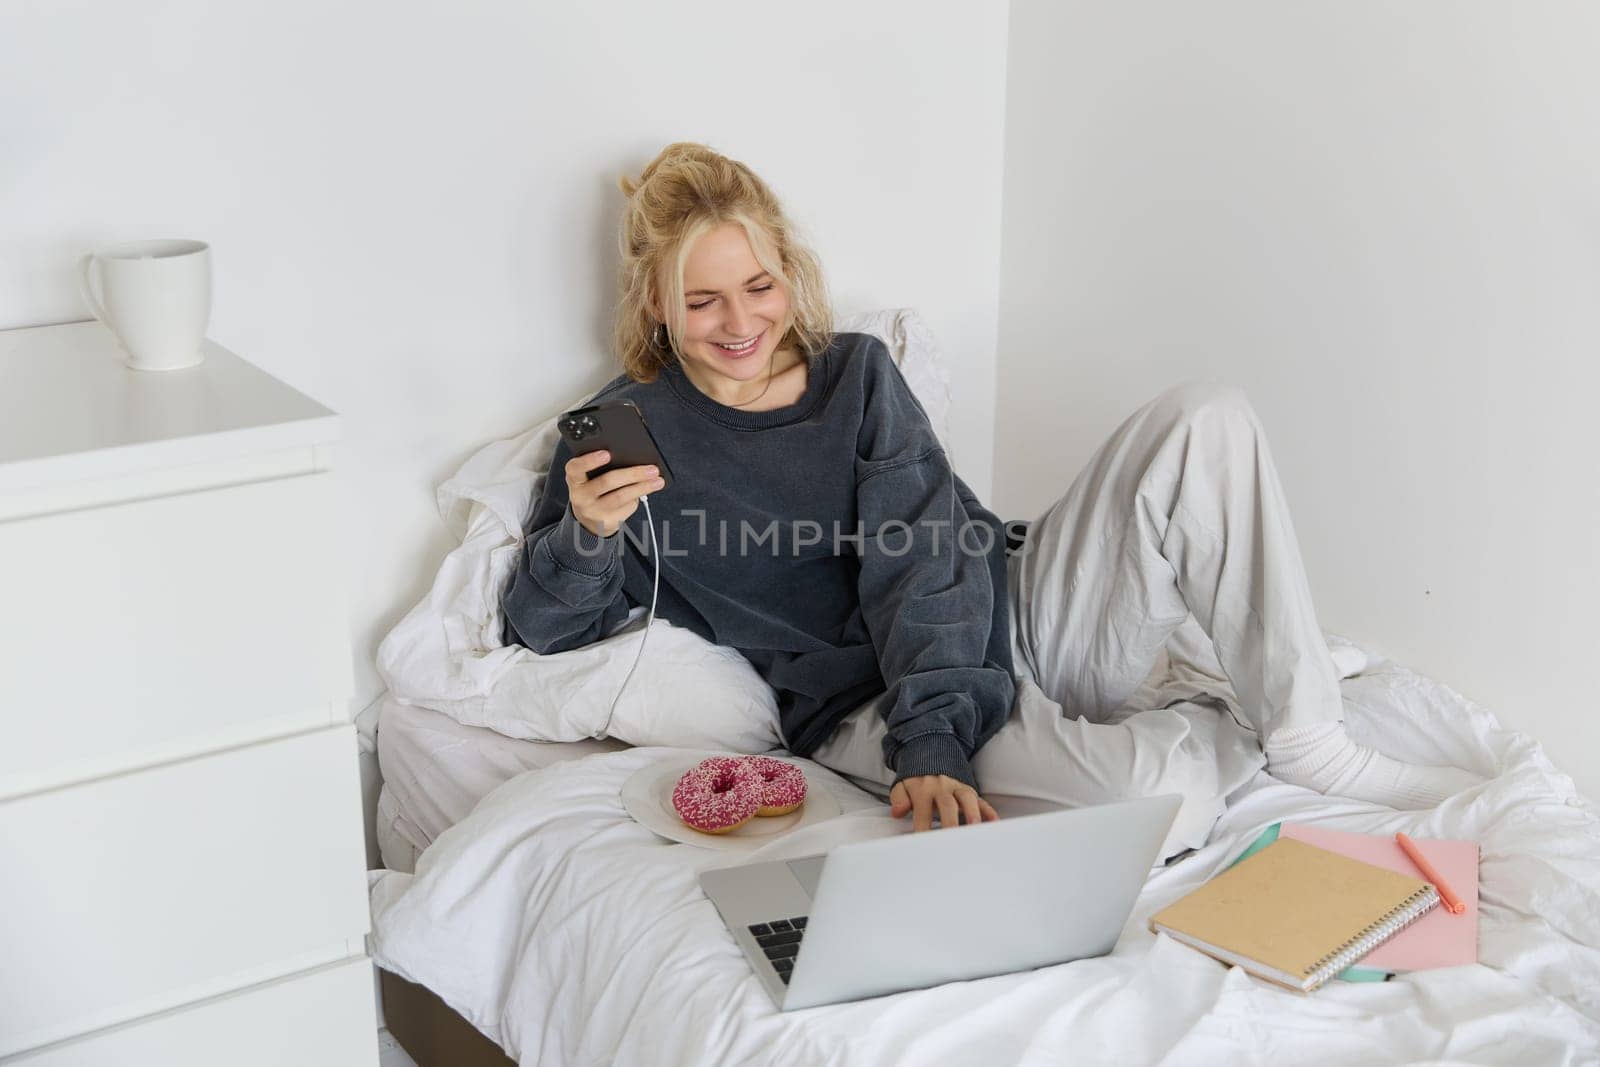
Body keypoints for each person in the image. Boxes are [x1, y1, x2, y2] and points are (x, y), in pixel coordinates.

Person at [500, 142, 1486, 845]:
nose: (739, 322)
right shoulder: (630, 433)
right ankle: (1208, 715)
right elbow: (539, 627)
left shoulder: (856, 376)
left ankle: (1306, 733)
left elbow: (922, 552)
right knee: (1164, 799)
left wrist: (939, 728)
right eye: (701, 299)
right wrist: (586, 533)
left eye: (756, 285)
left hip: (1010, 602)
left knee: (1206, 417)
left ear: (786, 272)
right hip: (869, 705)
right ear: (656, 306)